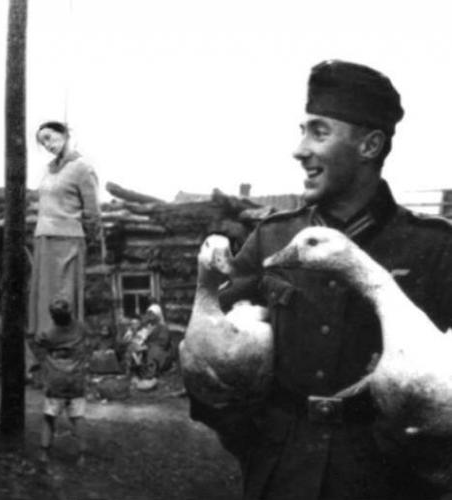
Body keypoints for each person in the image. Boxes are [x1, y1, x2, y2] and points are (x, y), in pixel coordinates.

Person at [188, 60, 452, 500]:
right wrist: (251, 443)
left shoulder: (435, 247)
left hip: (388, 478)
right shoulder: (273, 237)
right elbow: (211, 358)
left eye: (319, 132)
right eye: (302, 131)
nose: (299, 149)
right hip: (284, 468)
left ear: (369, 145)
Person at [27, 121, 102, 376]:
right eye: (43, 142)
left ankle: (69, 361)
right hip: (44, 240)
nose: (48, 145)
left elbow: (92, 211)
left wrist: (92, 240)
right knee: (45, 300)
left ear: (64, 134)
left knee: (64, 296)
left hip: (67, 241)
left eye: (50, 137)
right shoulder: (49, 170)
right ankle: (46, 361)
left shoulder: (82, 168)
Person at [36, 298, 90, 466]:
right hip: (76, 380)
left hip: (56, 380)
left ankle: (44, 453)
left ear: (52, 316)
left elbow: (38, 342)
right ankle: (82, 455)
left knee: (49, 417)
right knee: (78, 417)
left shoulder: (48, 335)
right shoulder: (81, 328)